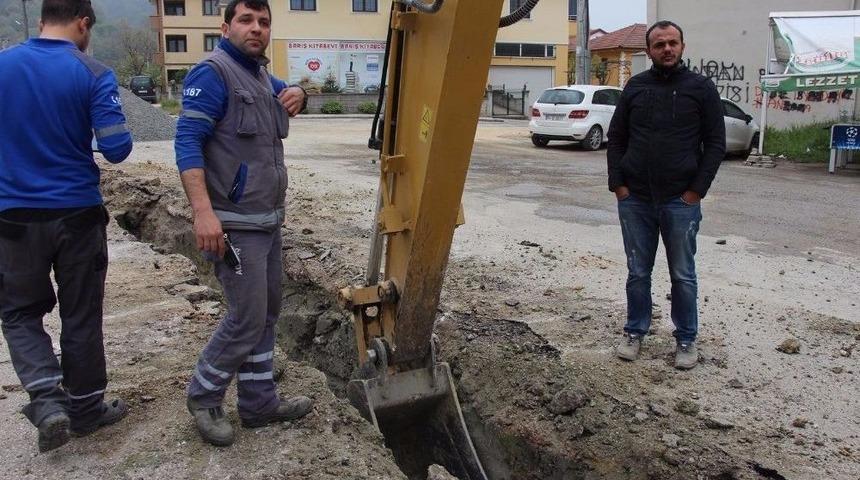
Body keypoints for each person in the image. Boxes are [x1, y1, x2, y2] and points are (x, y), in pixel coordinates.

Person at [174, 0, 312, 447]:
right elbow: (188, 143)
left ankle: (258, 403)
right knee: (247, 316)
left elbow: (285, 91)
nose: (257, 29)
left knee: (267, 314)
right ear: (225, 26)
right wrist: (202, 212)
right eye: (246, 21)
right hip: (234, 225)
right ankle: (204, 394)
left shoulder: (256, 73)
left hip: (267, 222)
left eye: (264, 22)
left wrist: (300, 93)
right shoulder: (213, 74)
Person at [0, 0, 133, 452]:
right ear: (83, 23)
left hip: (13, 217)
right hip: (77, 214)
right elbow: (116, 148)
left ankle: (46, 396)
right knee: (80, 313)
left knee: (18, 312)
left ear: (40, 23)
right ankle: (86, 409)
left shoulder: (4, 65)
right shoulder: (93, 71)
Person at [607, 20, 725, 370]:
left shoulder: (700, 88)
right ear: (650, 51)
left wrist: (695, 192)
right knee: (638, 273)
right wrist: (619, 187)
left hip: (679, 201)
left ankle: (686, 338)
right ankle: (634, 332)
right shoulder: (635, 87)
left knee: (683, 275)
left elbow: (715, 144)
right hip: (636, 200)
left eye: (673, 43)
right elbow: (617, 138)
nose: (667, 49)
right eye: (659, 45)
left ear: (683, 47)